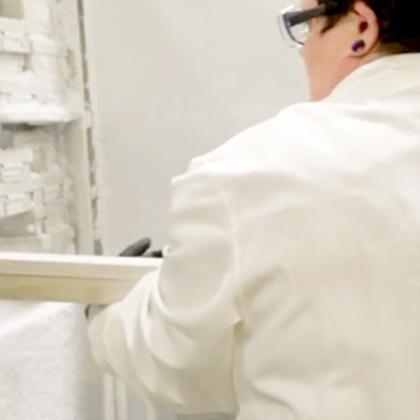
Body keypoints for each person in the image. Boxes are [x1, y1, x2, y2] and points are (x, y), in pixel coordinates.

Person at [88, 1, 420, 418]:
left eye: (306, 25)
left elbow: (180, 369)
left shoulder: (249, 171)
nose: (303, 51)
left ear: (362, 28)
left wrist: (110, 307)